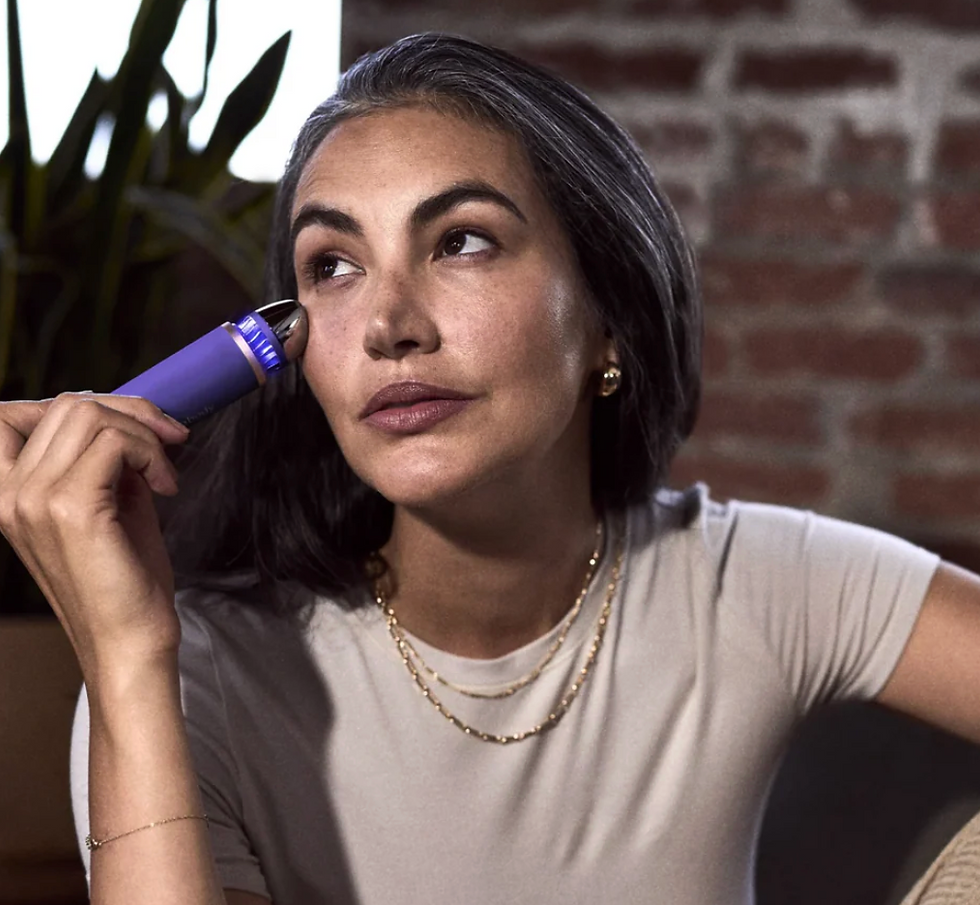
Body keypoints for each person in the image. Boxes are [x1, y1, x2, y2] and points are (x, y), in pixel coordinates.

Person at [0, 31, 978, 905]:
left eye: (460, 241)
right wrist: (127, 660)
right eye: (330, 265)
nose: (386, 325)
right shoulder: (201, 673)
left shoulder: (755, 582)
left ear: (607, 318)